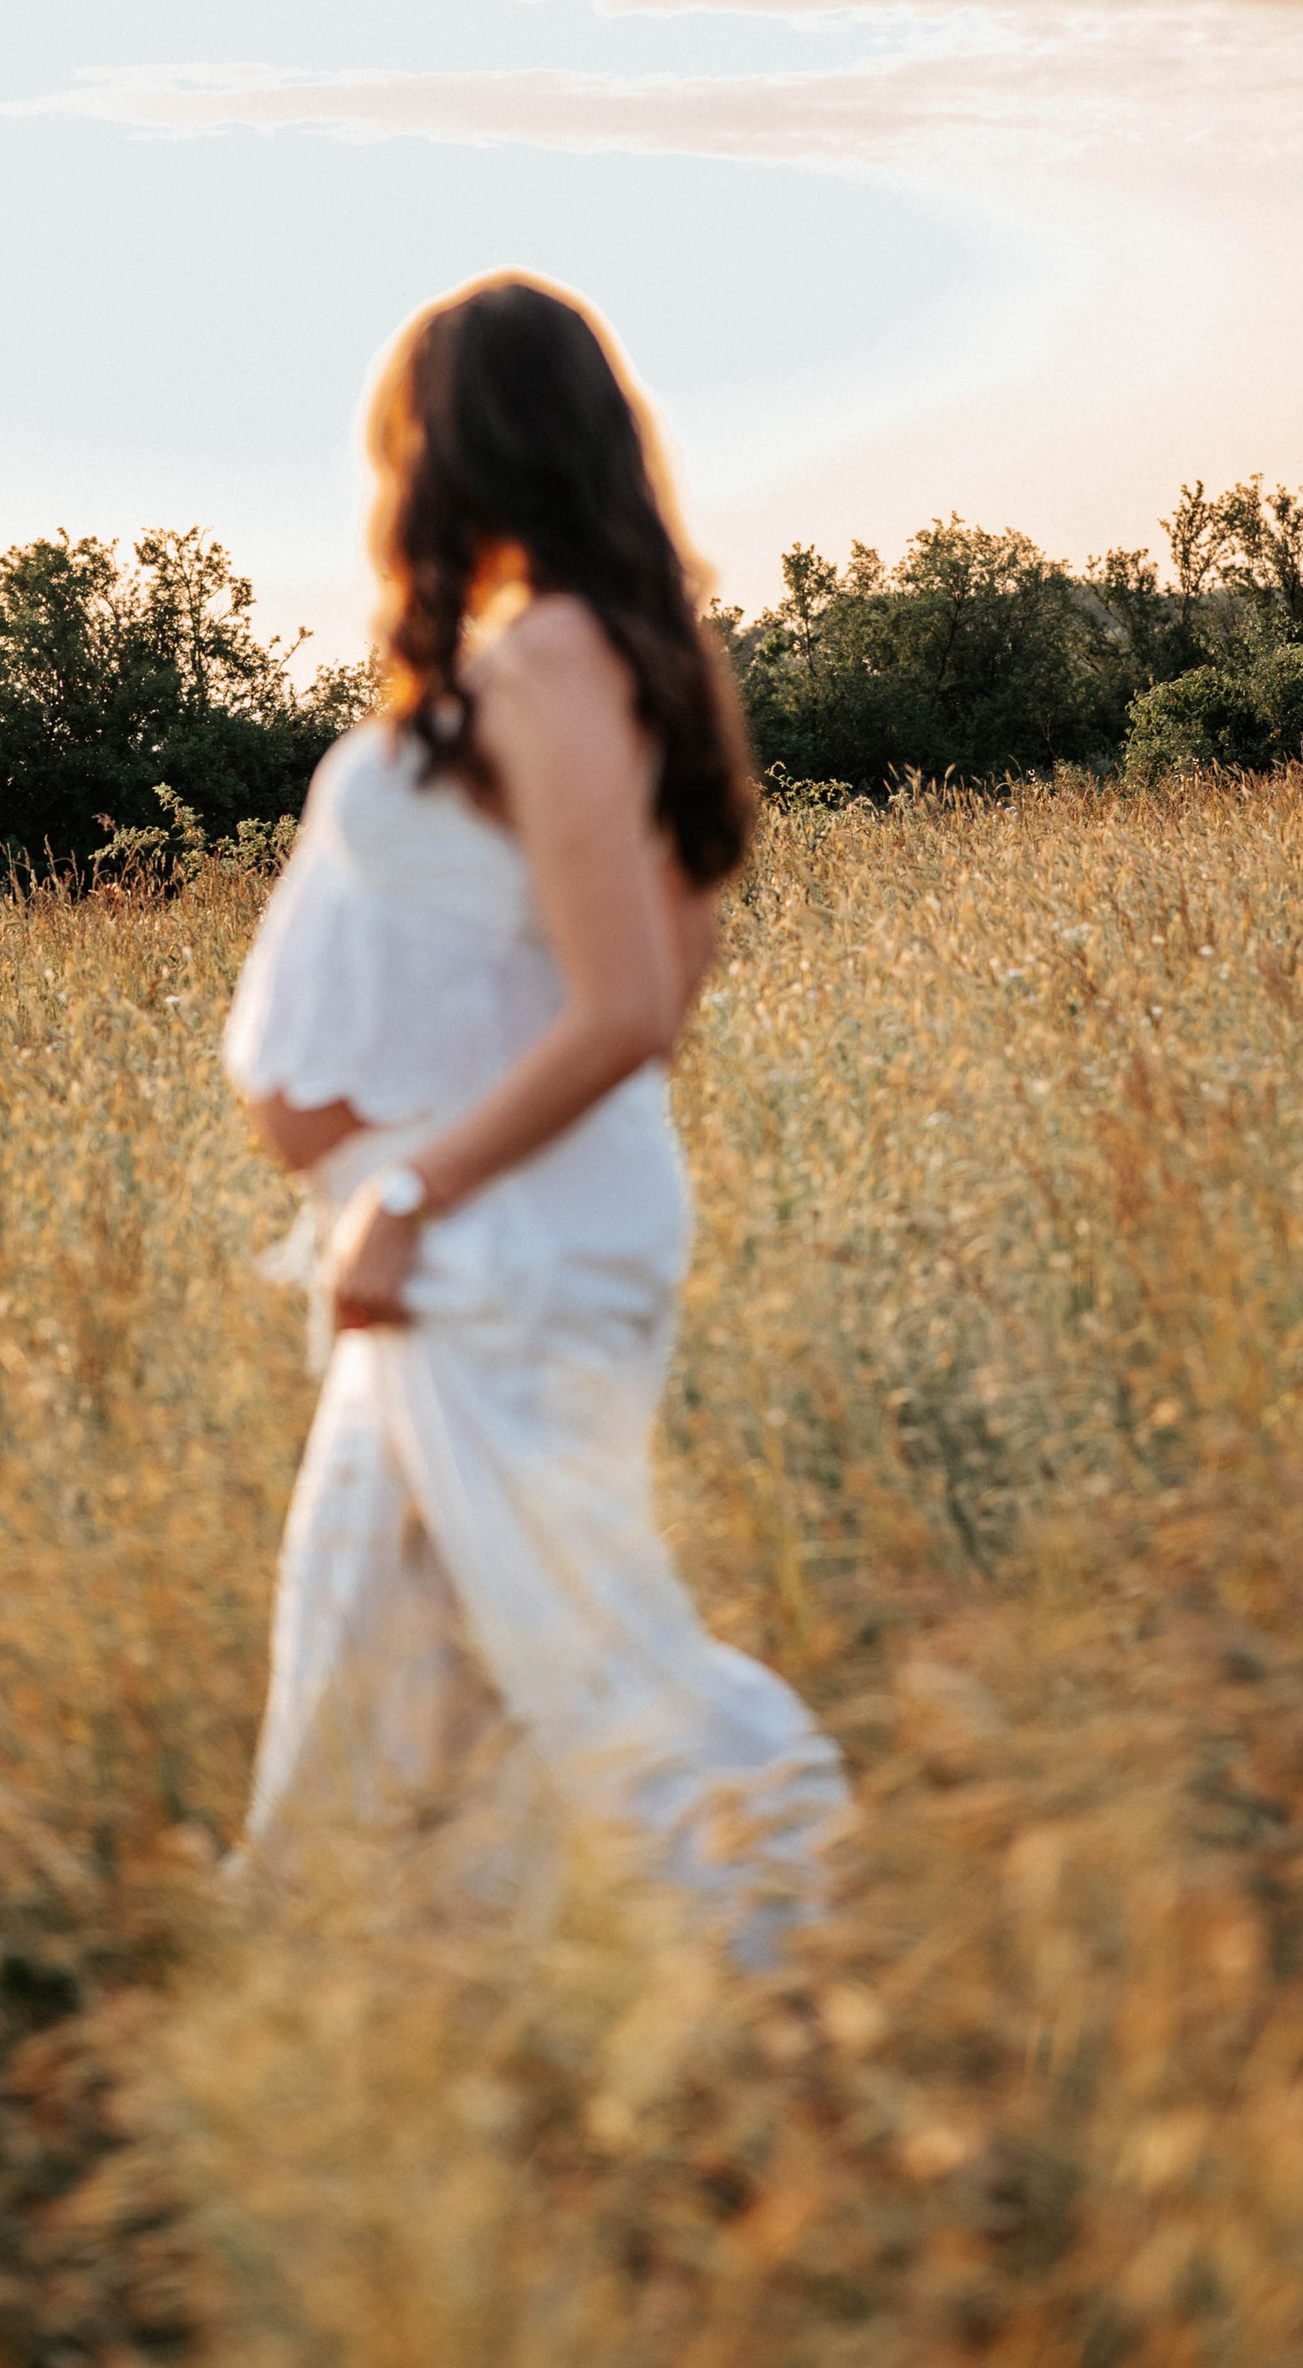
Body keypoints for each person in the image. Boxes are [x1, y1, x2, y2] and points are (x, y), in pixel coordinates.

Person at [221, 272, 848, 1957]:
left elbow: (633, 1004)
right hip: (517, 1234)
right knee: (401, 1654)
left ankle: (795, 1933)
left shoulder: (556, 658)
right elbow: (663, 962)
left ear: (452, 444)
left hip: (487, 1247)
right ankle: (415, 2014)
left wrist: (410, 1190)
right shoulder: (633, 650)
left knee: (566, 1648)